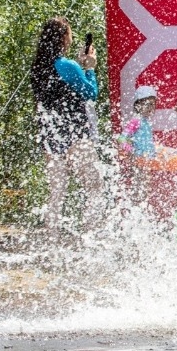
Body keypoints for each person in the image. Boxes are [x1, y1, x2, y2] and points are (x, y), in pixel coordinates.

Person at [30, 16, 105, 229]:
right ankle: (91, 233)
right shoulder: (67, 65)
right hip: (75, 134)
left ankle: (52, 240)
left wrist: (80, 68)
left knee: (57, 192)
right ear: (64, 37)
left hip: (50, 134)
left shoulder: (37, 67)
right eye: (69, 33)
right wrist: (89, 68)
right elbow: (91, 92)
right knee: (94, 185)